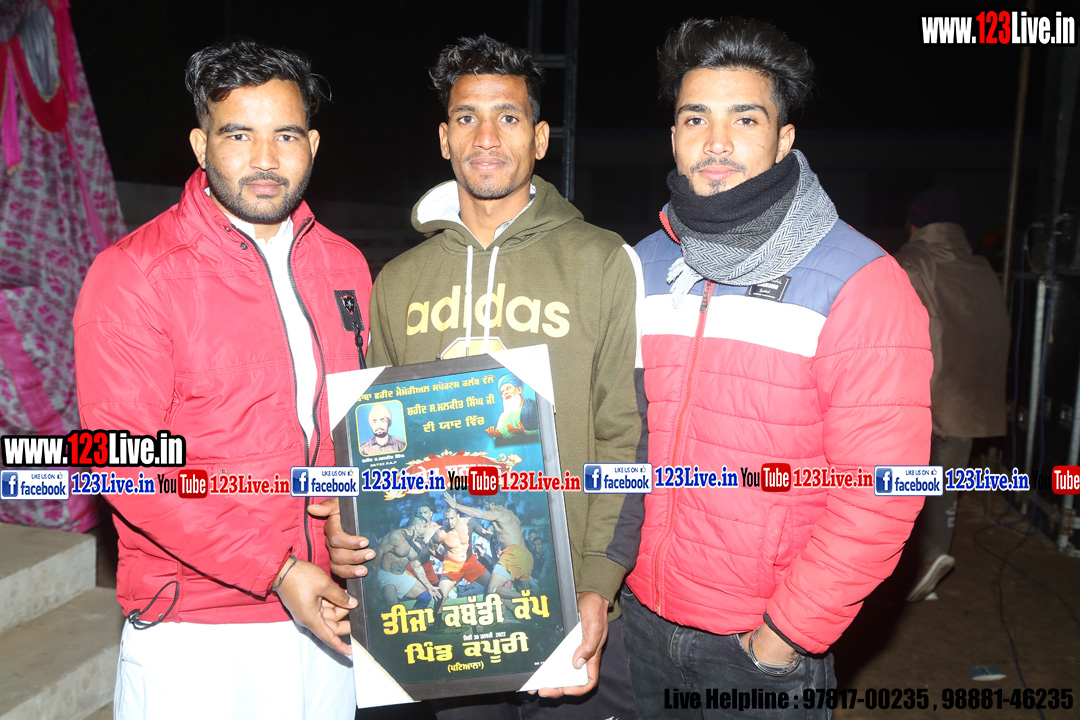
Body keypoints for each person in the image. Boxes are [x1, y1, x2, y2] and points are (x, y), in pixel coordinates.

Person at [325, 34, 643, 718]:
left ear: (540, 137)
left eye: (509, 116)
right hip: (449, 615)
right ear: (444, 138)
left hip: (568, 596)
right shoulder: (400, 281)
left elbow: (624, 435)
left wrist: (598, 582)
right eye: (467, 117)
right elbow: (380, 450)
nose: (487, 137)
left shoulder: (602, 261)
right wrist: (356, 532)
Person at [625, 18, 932, 718]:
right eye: (695, 118)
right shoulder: (642, 265)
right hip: (640, 621)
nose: (716, 142)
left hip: (758, 646)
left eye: (745, 118)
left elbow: (882, 492)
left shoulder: (861, 282)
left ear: (784, 138)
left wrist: (784, 636)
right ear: (673, 136)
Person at [72, 39, 372, 720]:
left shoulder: (344, 266)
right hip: (196, 629)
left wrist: (351, 515)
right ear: (201, 145)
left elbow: (352, 430)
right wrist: (276, 570)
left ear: (312, 145)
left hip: (327, 613)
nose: (265, 159)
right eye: (238, 135)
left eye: (285, 135)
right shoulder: (132, 275)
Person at [895, 184, 1010, 602]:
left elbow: (896, 327)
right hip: (970, 396)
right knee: (945, 484)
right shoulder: (979, 266)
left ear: (915, 222)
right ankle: (934, 556)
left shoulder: (912, 261)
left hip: (922, 394)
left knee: (902, 484)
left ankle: (906, 567)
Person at [445, 492, 533, 596]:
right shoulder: (511, 515)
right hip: (525, 555)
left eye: (486, 504)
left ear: (492, 504)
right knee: (521, 589)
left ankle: (527, 598)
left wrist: (456, 506)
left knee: (492, 589)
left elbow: (479, 514)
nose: (485, 507)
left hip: (513, 554)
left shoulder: (498, 512)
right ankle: (528, 600)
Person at [486, 373, 539, 439]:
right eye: (502, 392)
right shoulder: (503, 417)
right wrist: (499, 436)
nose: (505, 393)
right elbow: (501, 441)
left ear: (519, 390)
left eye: (508, 388)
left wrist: (524, 433)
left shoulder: (532, 407)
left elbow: (544, 432)